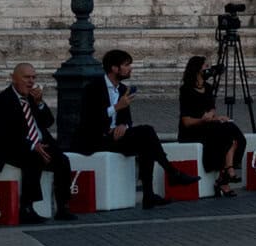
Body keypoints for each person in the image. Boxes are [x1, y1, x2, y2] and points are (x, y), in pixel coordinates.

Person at [74, 49, 197, 209]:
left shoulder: (123, 88)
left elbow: (127, 119)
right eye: (126, 65)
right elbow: (88, 120)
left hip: (117, 136)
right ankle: (170, 175)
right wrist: (116, 107)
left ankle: (150, 194)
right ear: (114, 68)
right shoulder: (93, 88)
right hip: (96, 139)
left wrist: (124, 125)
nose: (130, 68)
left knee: (147, 136)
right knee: (147, 136)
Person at [0, 62, 76, 225]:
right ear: (13, 78)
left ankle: (63, 206)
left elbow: (48, 121)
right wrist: (32, 145)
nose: (31, 81)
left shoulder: (33, 98)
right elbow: (4, 134)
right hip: (14, 147)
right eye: (26, 77)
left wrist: (40, 103)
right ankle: (27, 207)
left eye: (33, 77)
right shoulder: (1, 100)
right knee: (33, 159)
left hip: (41, 143)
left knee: (62, 160)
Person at [176, 55, 246, 197]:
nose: (209, 70)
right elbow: (186, 121)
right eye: (206, 67)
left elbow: (211, 109)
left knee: (232, 130)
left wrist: (215, 117)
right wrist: (203, 120)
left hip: (208, 125)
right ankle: (227, 175)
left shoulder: (208, 87)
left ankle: (228, 172)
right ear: (197, 70)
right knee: (224, 136)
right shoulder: (186, 90)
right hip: (193, 129)